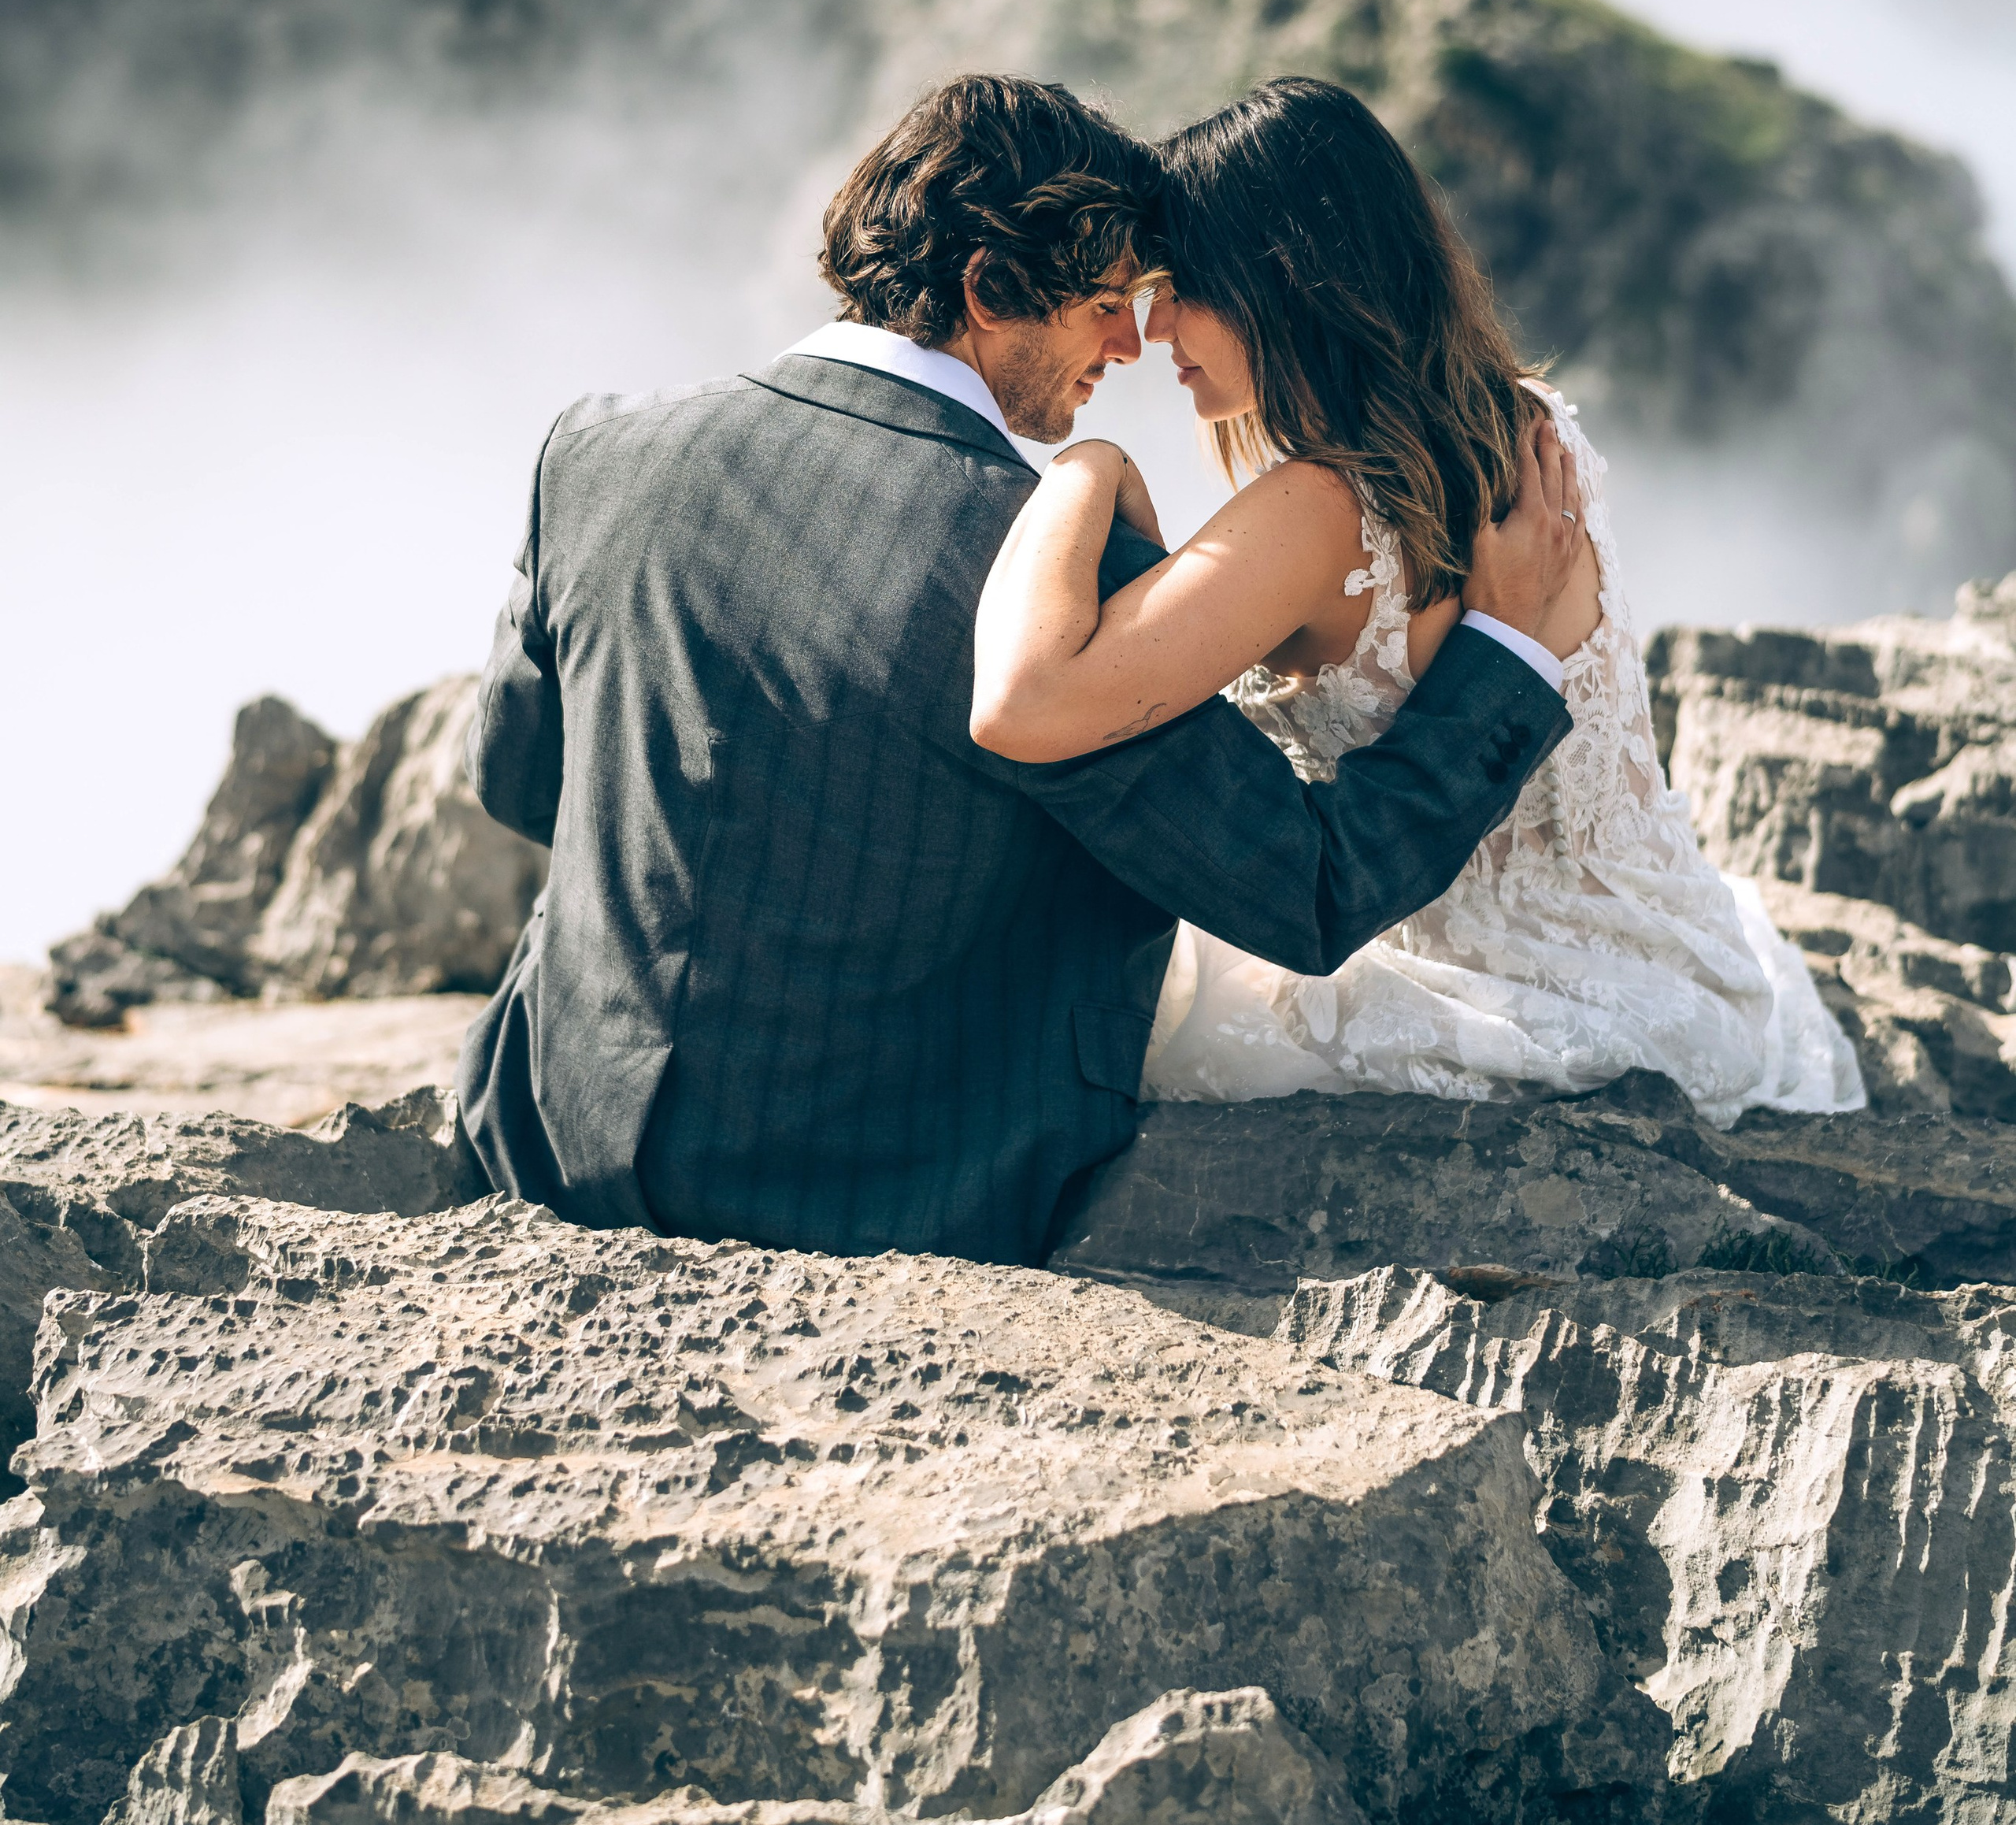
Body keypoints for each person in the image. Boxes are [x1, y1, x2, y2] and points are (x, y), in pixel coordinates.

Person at [458, 74, 1582, 1262]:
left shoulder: (597, 450)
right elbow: (1307, 891)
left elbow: (520, 783)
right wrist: (1506, 653)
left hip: (542, 1129)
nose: (1130, 344)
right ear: (990, 291)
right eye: (1104, 304)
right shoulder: (1049, 582)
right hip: (890, 1195)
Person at [972, 76, 1864, 1126]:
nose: (1153, 323)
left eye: (1183, 284)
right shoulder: (1534, 428)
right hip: (1668, 962)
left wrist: (1085, 464)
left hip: (1483, 994)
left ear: (1281, 278)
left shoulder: (1317, 513)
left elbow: (1027, 704)